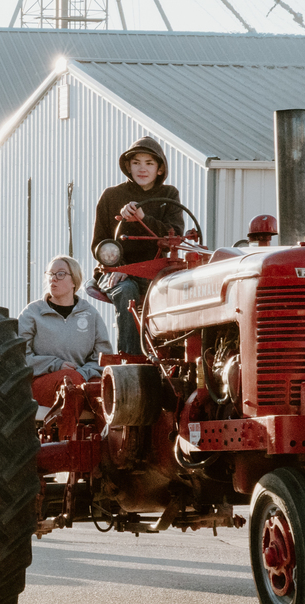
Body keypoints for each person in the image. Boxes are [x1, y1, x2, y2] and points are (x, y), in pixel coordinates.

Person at [92, 136, 184, 354]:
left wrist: (143, 219)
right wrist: (120, 268)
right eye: (136, 163)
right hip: (117, 270)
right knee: (127, 290)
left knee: (184, 290)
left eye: (149, 163)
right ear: (128, 166)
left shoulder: (169, 195)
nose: (142, 169)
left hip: (158, 272)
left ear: (160, 169)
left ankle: (175, 359)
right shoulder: (111, 196)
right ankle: (130, 361)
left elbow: (176, 234)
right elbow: (99, 243)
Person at [18, 255, 113, 408]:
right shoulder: (32, 312)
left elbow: (102, 358)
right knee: (71, 382)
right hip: (41, 382)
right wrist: (56, 365)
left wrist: (84, 373)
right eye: (50, 274)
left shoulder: (90, 314)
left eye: (60, 274)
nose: (53, 279)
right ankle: (69, 433)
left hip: (81, 377)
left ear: (74, 281)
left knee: (108, 390)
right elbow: (20, 359)